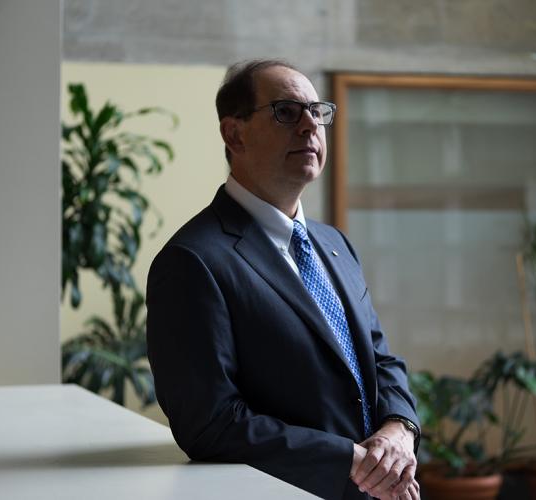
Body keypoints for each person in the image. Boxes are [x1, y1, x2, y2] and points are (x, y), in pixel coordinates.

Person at [146, 59, 420, 500]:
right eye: (286, 112)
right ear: (234, 134)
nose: (310, 125)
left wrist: (398, 432)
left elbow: (381, 361)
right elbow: (211, 423)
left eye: (318, 111)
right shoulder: (192, 261)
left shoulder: (335, 244)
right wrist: (352, 461)